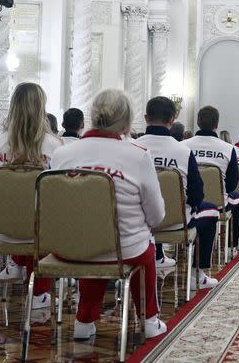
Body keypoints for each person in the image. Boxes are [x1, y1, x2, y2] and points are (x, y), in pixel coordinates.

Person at [50, 89, 167, 340]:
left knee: (91, 237)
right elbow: (156, 216)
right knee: (141, 245)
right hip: (123, 248)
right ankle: (149, 319)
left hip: (68, 246)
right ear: (126, 123)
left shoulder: (61, 154)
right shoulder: (137, 155)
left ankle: (83, 321)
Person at [0, 83, 63, 310]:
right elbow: (61, 197)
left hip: (3, 230)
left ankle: (17, 261)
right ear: (42, 108)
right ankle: (38, 293)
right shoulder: (56, 147)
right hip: (42, 233)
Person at [136, 97, 218, 289]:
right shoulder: (183, 151)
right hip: (176, 221)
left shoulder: (132, 146)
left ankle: (157, 255)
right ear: (173, 119)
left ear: (146, 117)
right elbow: (197, 193)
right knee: (211, 210)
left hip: (135, 221)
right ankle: (198, 275)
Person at [182, 106, 239, 256]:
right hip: (219, 202)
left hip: (186, 202)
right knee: (238, 199)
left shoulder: (182, 146)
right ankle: (231, 247)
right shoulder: (228, 148)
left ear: (198, 122)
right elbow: (232, 184)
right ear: (216, 124)